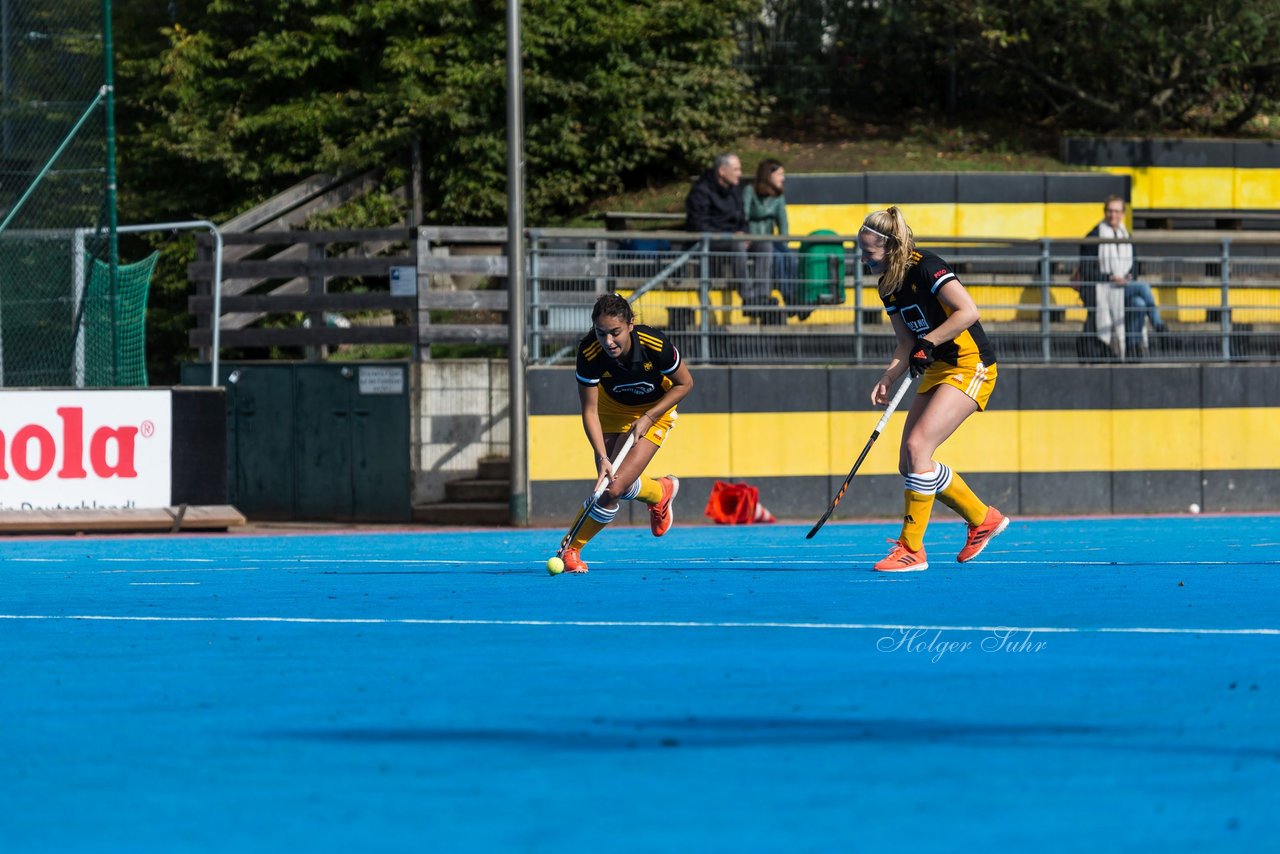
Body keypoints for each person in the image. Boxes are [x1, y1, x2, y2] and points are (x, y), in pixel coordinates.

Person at [857, 207, 1009, 572]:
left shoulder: (927, 266)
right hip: (939, 366)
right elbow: (905, 343)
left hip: (971, 363)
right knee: (909, 463)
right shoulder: (887, 285)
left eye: (868, 252)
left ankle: (912, 549)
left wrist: (931, 340)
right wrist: (888, 377)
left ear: (890, 248)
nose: (861, 259)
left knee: (917, 448)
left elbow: (967, 311)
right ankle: (982, 518)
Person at [559, 293, 695, 573]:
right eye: (601, 333)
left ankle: (570, 550)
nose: (608, 342)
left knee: (613, 489)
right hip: (611, 409)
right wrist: (601, 457)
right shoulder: (589, 353)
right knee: (614, 477)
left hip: (655, 409)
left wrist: (649, 417)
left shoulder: (654, 345)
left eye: (615, 333)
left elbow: (685, 384)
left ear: (630, 325)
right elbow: (589, 411)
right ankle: (660, 491)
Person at [685, 153, 777, 316]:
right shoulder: (701, 191)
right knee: (737, 243)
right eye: (736, 169)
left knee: (764, 244)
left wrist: (745, 234)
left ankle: (762, 296)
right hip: (710, 241)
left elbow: (742, 219)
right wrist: (731, 235)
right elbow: (699, 225)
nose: (740, 173)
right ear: (722, 171)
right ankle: (748, 298)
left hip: (734, 237)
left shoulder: (734, 190)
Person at [1097, 195, 1166, 351]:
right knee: (1143, 288)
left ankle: (1133, 347)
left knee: (1139, 304)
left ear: (1122, 214)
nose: (1113, 215)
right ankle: (1159, 326)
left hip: (1125, 286)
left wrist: (1129, 276)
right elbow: (1089, 270)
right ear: (1104, 212)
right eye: (1109, 211)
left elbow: (1134, 266)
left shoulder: (1126, 236)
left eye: (1116, 211)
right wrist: (1110, 277)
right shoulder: (1095, 236)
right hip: (1107, 287)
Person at [742, 158, 800, 314]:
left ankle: (795, 297)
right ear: (769, 175)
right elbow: (743, 217)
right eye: (780, 174)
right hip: (753, 241)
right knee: (778, 259)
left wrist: (784, 243)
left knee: (789, 257)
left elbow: (783, 223)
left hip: (771, 241)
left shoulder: (778, 196)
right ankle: (789, 299)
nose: (783, 178)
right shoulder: (750, 191)